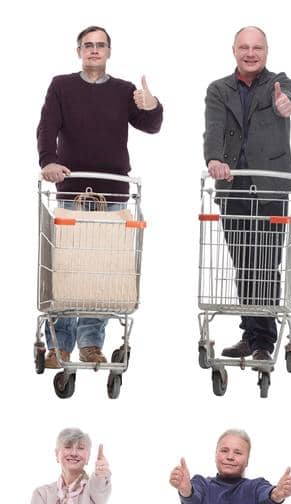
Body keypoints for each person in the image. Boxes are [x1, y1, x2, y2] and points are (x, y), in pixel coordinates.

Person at [36, 26, 164, 369]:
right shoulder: (62, 86)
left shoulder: (124, 90)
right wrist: (48, 160)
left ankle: (91, 343)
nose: (94, 50)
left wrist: (152, 106)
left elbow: (150, 125)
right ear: (79, 51)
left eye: (100, 46)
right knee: (68, 270)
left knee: (104, 271)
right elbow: (47, 126)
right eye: (88, 45)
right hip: (72, 190)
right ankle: (59, 346)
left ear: (109, 52)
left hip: (114, 192)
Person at [203, 26, 291, 361]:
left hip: (271, 188)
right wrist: (214, 158)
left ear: (266, 51)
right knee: (244, 263)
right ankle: (249, 332)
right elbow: (213, 128)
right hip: (233, 187)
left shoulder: (279, 82)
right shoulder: (218, 89)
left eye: (257, 47)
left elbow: (288, 98)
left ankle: (263, 341)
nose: (250, 53)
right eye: (244, 47)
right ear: (234, 50)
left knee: (266, 264)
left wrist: (285, 104)